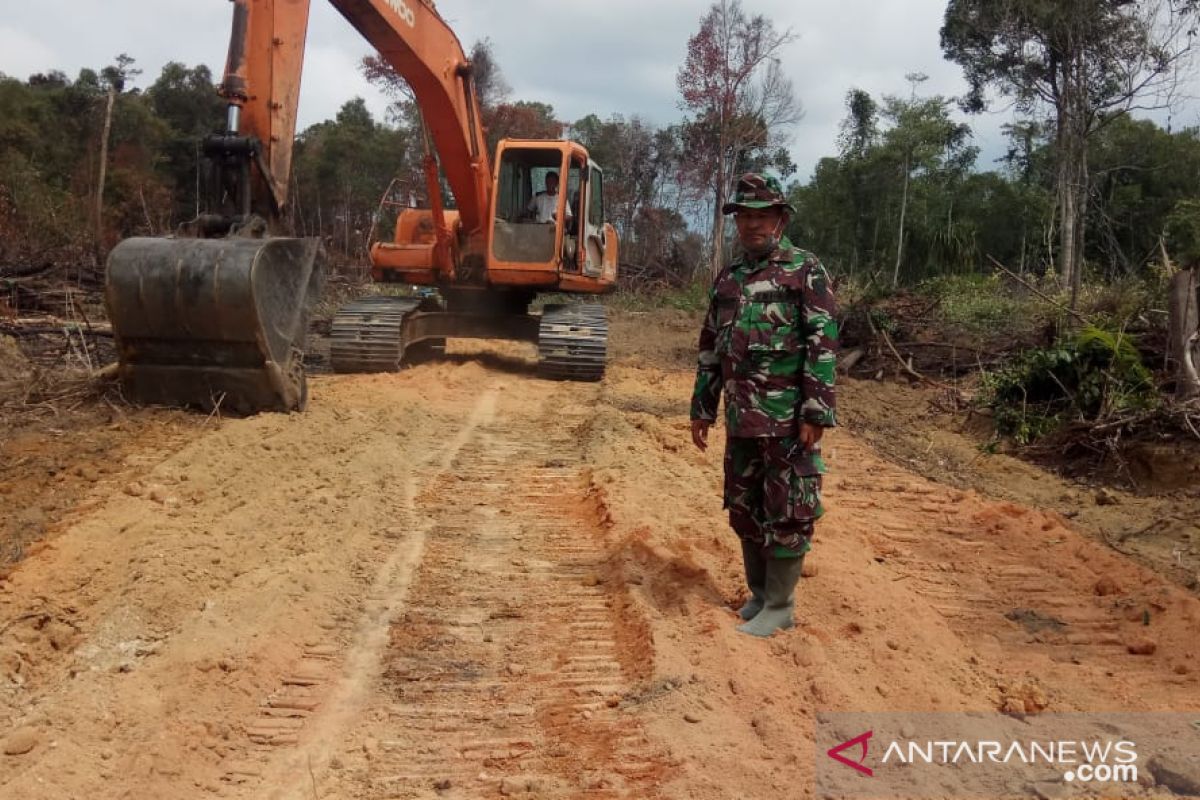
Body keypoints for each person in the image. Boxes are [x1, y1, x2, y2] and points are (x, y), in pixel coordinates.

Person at [689, 172, 838, 638]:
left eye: (763, 216)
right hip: (742, 419)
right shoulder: (729, 278)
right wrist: (702, 407)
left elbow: (822, 342)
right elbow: (711, 346)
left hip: (788, 420)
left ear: (780, 218)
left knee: (789, 509)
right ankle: (758, 596)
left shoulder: (804, 270)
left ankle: (780, 604)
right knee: (744, 508)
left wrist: (815, 410)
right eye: (745, 217)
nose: (752, 225)